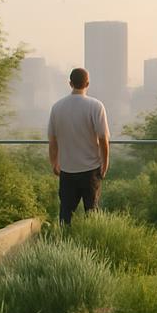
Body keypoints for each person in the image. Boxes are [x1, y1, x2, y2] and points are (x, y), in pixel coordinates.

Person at [47, 67, 109, 225]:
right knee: (92, 213)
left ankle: (64, 243)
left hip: (67, 170)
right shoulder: (96, 106)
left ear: (70, 83)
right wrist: (105, 162)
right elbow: (103, 139)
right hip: (90, 169)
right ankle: (91, 246)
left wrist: (54, 162)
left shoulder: (57, 107)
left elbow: (52, 140)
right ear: (87, 83)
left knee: (66, 213)